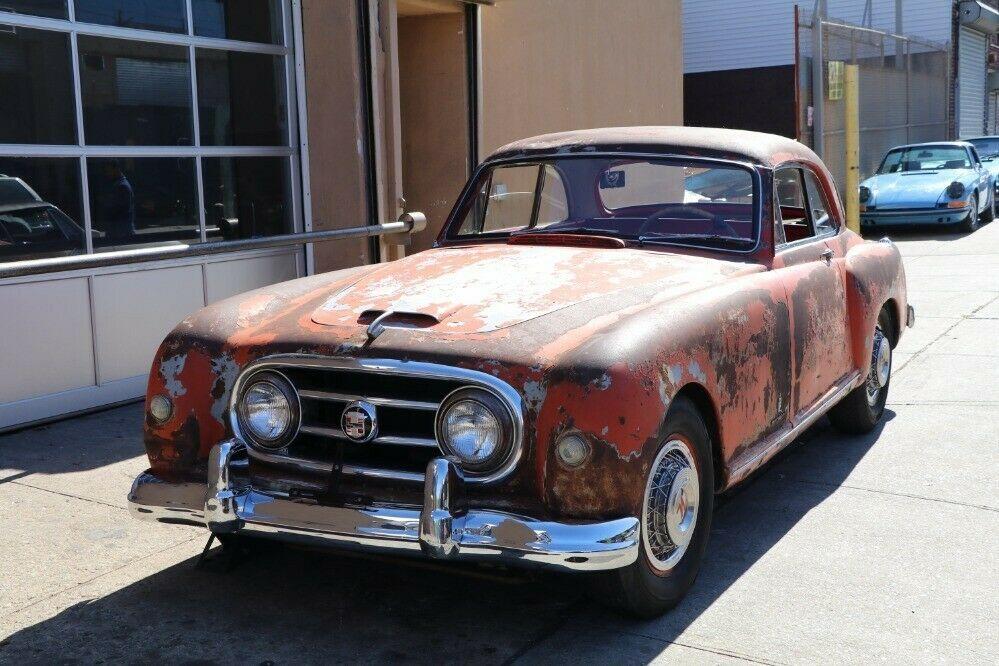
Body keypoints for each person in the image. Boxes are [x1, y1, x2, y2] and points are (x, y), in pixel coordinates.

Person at [101, 160, 135, 242]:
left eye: (108, 171)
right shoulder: (118, 184)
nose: (107, 174)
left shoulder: (122, 186)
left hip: (121, 231)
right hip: (119, 229)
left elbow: (121, 209)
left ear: (116, 169)